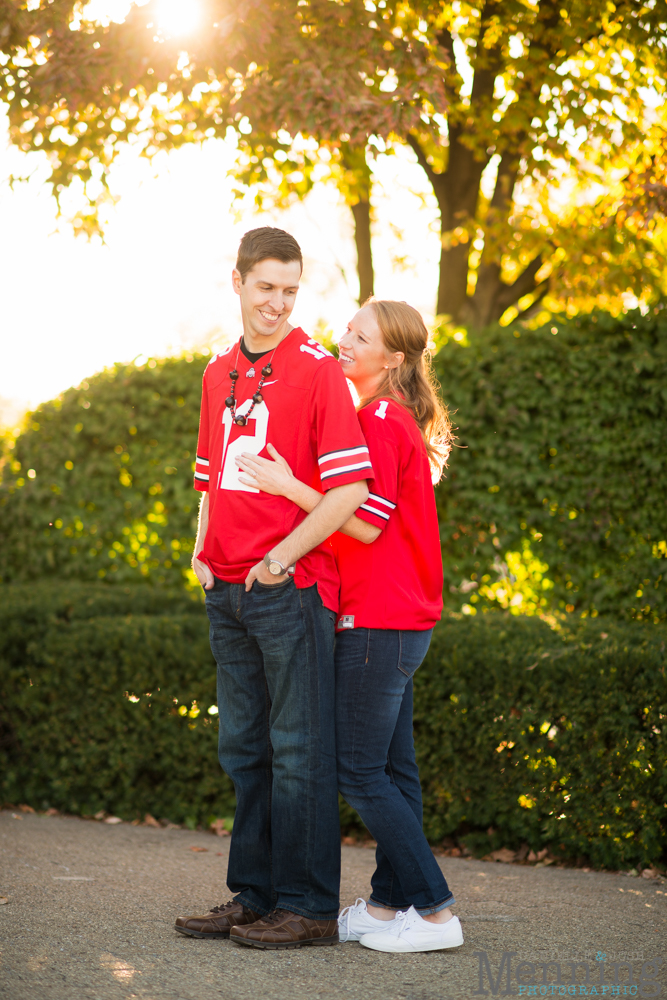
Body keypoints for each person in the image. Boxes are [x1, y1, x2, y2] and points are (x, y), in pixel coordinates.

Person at [236, 298, 464, 954]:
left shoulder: (384, 421)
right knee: (393, 768)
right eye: (347, 330)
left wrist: (285, 484)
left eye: (359, 338)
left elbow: (362, 523)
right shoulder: (382, 416)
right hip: (395, 617)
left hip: (379, 619)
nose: (343, 342)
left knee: (359, 770)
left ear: (392, 359)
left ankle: (434, 911)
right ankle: (392, 903)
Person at [174, 227, 372, 950]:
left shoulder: (317, 368)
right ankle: (252, 897)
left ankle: (309, 905)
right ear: (237, 283)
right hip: (224, 590)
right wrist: (201, 551)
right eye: (265, 288)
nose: (277, 304)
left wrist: (281, 558)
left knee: (297, 752)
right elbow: (207, 478)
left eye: (289, 291)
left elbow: (347, 490)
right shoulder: (215, 371)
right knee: (245, 751)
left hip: (288, 589)